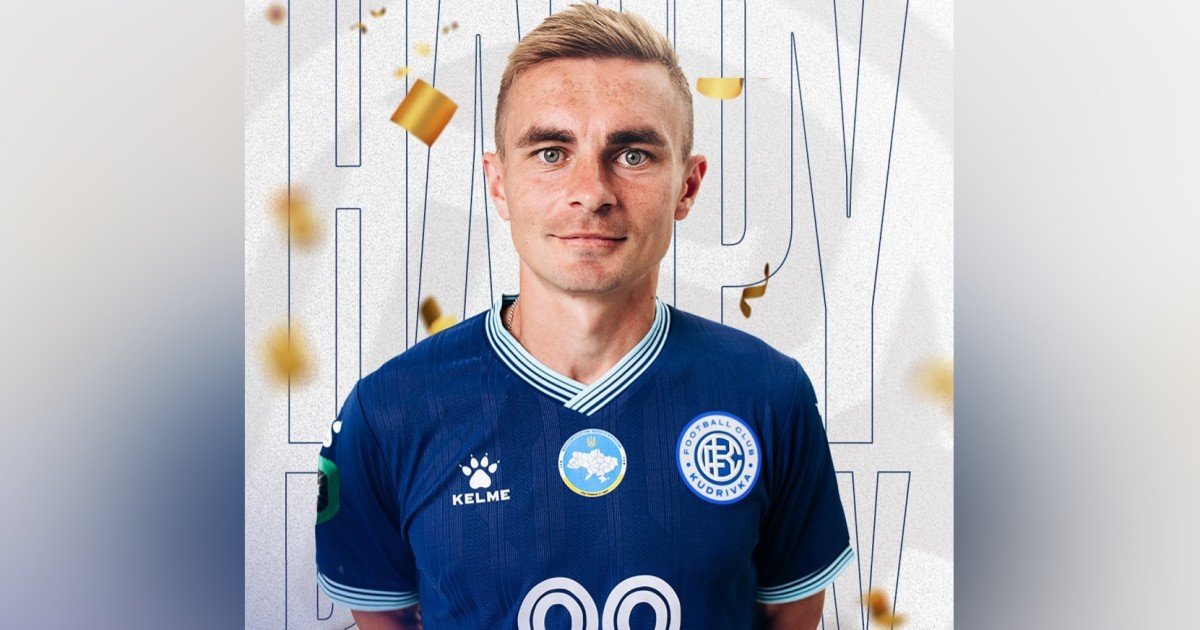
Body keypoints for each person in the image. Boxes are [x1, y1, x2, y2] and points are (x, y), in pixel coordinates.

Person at [315, 4, 853, 628]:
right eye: (550, 152)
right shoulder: (390, 410)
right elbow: (384, 616)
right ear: (498, 183)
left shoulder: (769, 394)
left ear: (687, 186)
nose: (591, 192)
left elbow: (791, 614)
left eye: (633, 155)